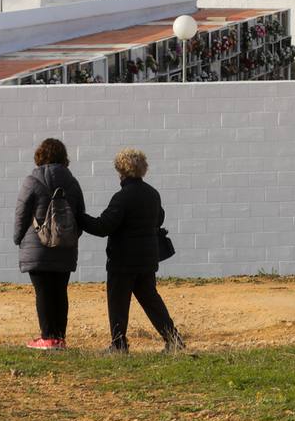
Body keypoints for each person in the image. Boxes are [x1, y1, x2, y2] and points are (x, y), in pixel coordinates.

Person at [79, 148, 184, 354]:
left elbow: (103, 227)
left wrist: (78, 217)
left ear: (121, 170)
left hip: (123, 261)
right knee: (151, 301)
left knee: (118, 303)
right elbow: (159, 218)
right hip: (147, 259)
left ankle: (119, 344)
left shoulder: (122, 197)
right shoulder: (153, 194)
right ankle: (174, 340)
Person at [13, 137, 86, 351]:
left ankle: (47, 338)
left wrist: (18, 238)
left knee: (43, 292)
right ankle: (59, 338)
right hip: (65, 247)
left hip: (37, 246)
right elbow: (80, 215)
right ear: (64, 158)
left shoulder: (31, 181)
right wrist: (70, 237)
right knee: (60, 291)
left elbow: (22, 213)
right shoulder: (72, 182)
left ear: (40, 156)